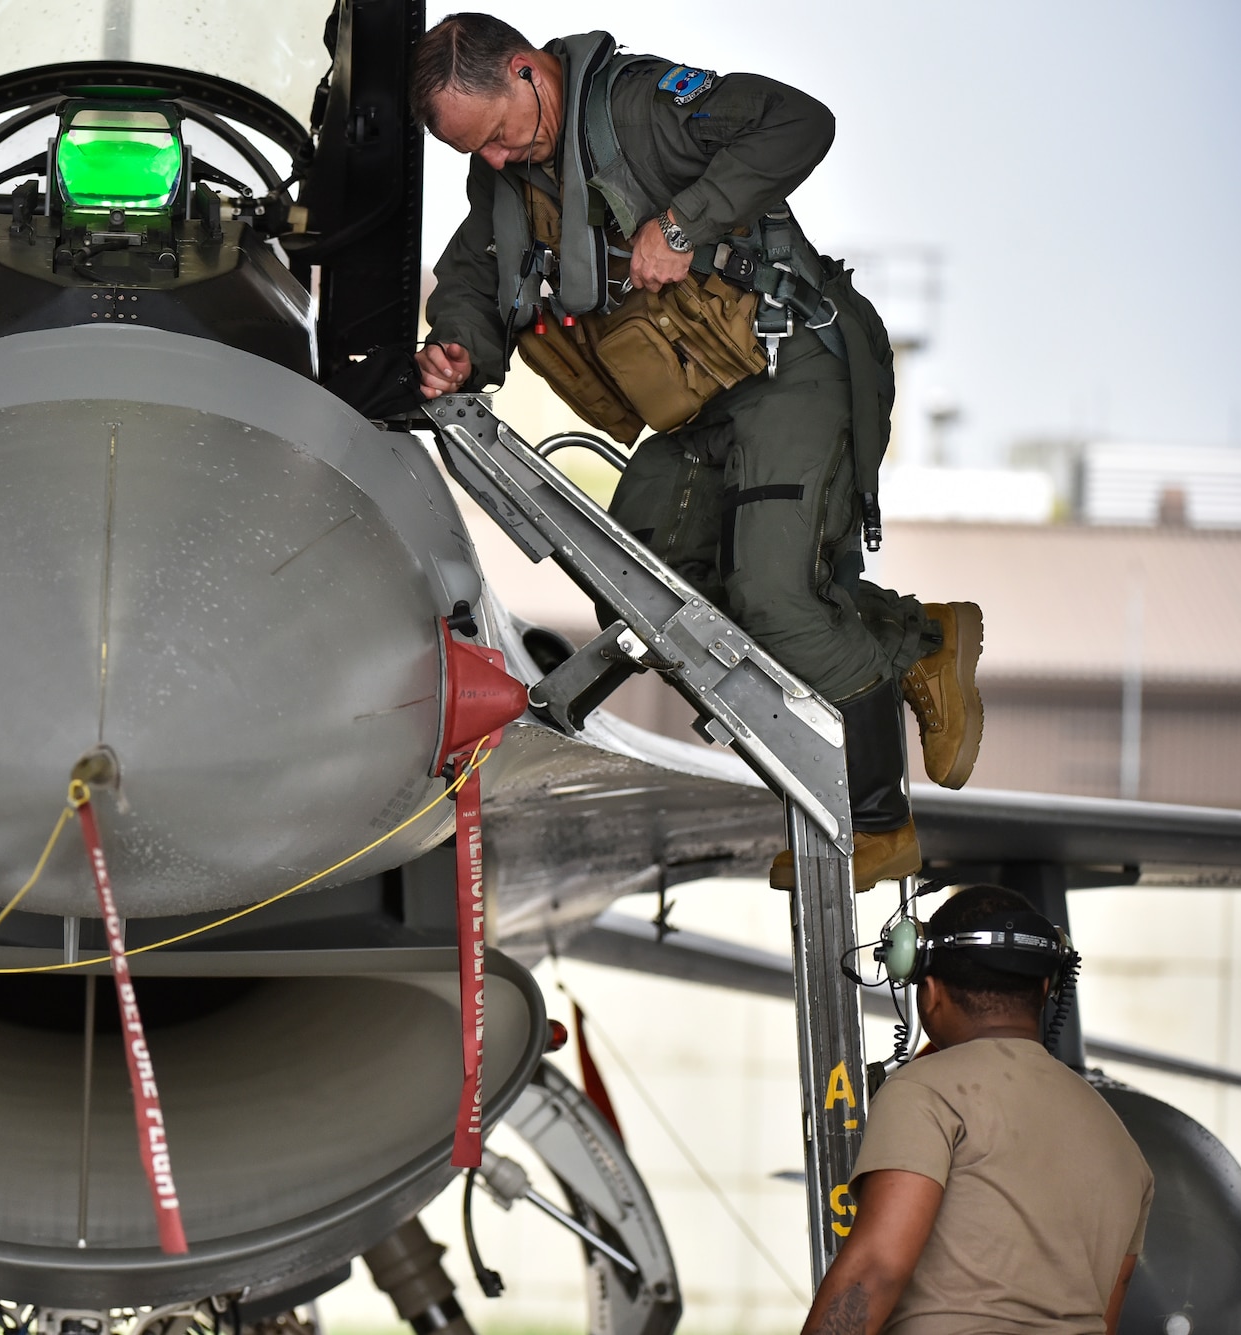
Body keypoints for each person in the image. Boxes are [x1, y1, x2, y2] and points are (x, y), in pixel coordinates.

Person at [410, 14, 984, 889]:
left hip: (787, 362)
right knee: (650, 584)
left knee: (774, 601)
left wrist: (683, 225)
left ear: (529, 74)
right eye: (474, 152)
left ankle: (876, 819)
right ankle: (917, 639)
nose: (492, 160)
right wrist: (456, 348)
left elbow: (799, 121)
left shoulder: (642, 106)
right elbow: (473, 279)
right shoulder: (506, 180)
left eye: (496, 135)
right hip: (699, 405)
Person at [801, 885, 1153, 1335]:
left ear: (927, 989)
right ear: (1047, 989)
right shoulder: (1119, 1139)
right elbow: (1107, 1315)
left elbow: (876, 1269)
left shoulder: (924, 1091)